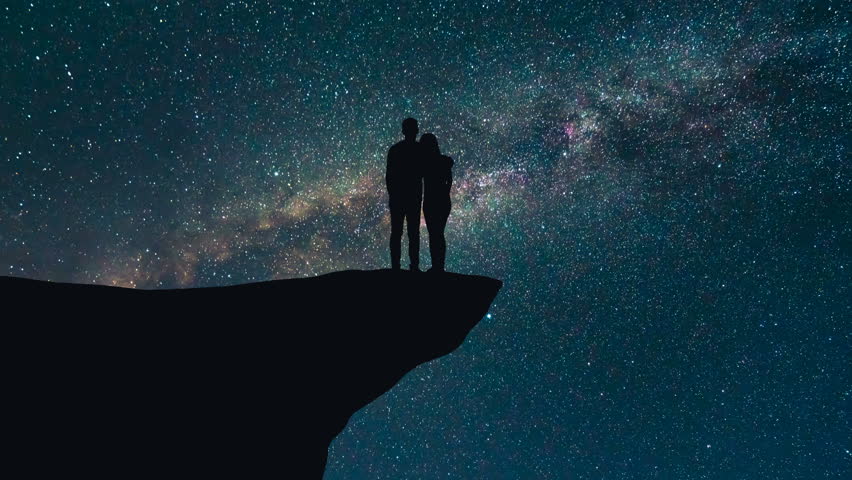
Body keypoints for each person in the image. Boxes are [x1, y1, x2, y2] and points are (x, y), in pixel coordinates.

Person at [386, 118, 423, 271]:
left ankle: (397, 266)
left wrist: (393, 194)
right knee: (411, 233)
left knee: (399, 232)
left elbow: (389, 176)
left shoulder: (396, 149)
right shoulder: (420, 150)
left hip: (400, 197)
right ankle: (413, 266)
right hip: (411, 197)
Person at [420, 133, 453, 273]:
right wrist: (444, 193)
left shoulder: (425, 163)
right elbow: (449, 181)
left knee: (435, 234)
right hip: (441, 201)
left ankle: (437, 267)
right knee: (437, 234)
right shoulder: (443, 161)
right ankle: (438, 266)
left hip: (432, 201)